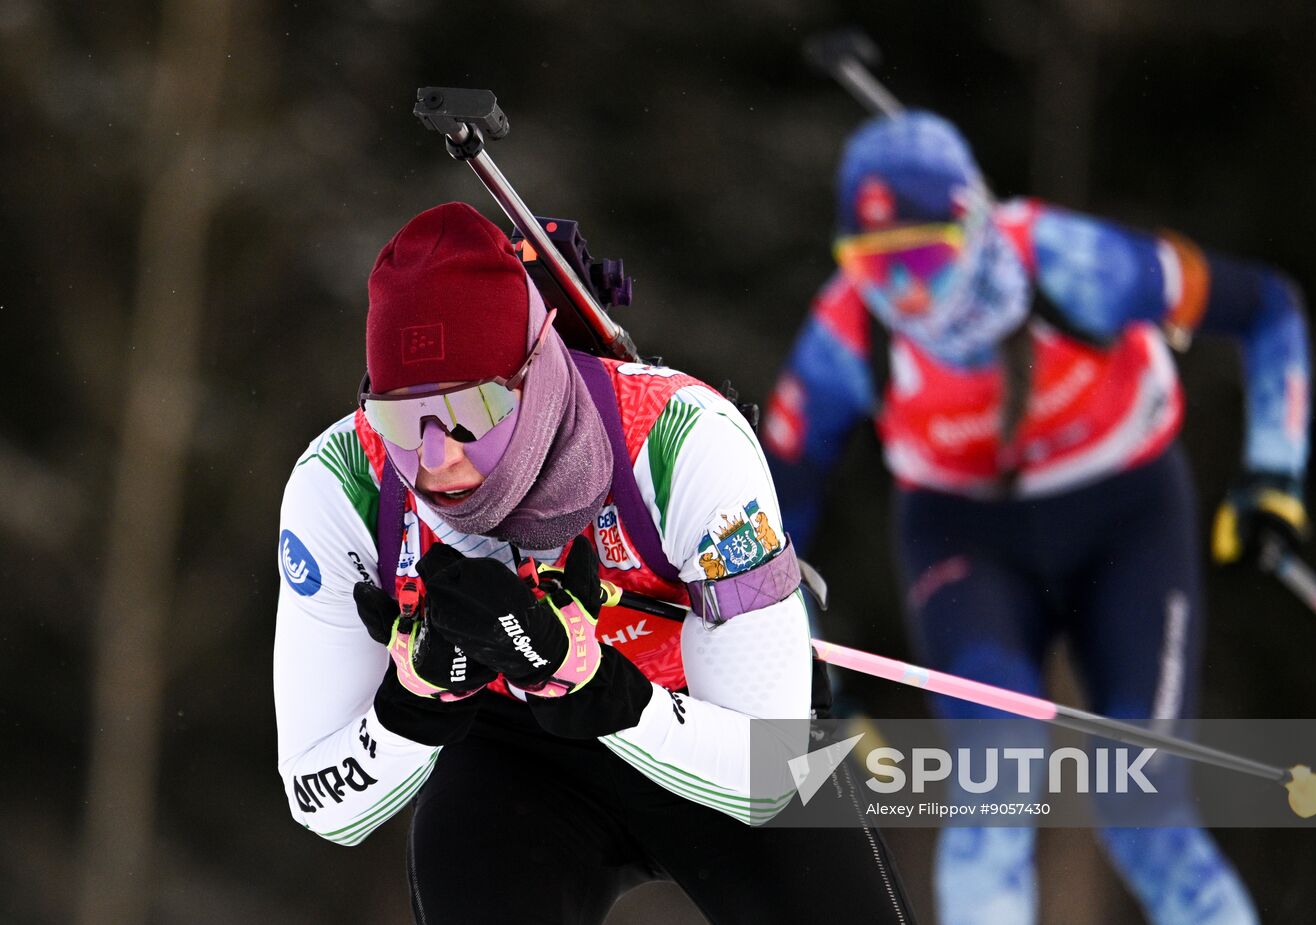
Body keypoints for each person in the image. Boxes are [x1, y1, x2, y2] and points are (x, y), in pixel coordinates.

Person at [273, 202, 917, 924]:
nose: (436, 458)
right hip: (518, 761)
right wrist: (416, 704)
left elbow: (768, 774)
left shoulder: (679, 439)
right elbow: (319, 799)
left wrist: (599, 689)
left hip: (709, 720)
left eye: (471, 413)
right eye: (400, 417)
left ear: (534, 372)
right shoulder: (344, 484)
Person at [760, 111, 1312, 925]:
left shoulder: (1074, 262)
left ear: (972, 224)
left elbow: (1269, 307)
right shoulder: (847, 332)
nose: (904, 292)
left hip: (1127, 516)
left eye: (922, 255)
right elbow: (773, 508)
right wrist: (813, 683)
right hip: (965, 534)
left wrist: (1273, 474)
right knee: (994, 779)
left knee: (1142, 801)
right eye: (873, 266)